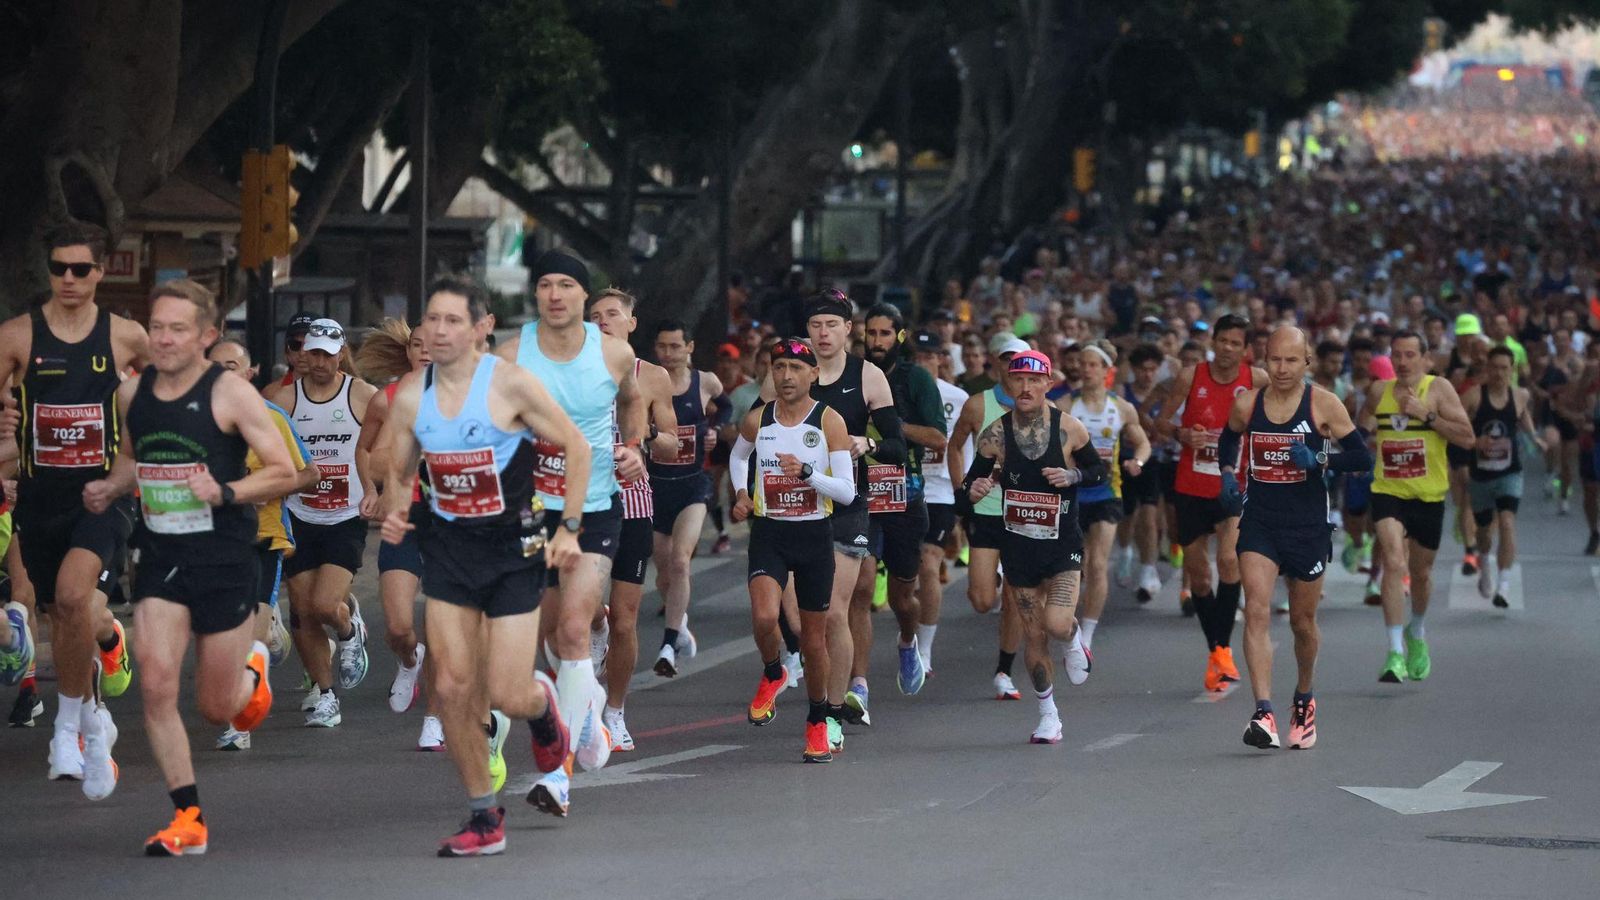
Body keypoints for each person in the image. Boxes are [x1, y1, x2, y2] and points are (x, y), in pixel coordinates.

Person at [82, 279, 292, 854]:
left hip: (224, 558)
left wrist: (223, 490)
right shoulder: (132, 395)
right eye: (157, 327)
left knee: (217, 707)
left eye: (178, 329)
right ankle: (188, 818)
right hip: (162, 557)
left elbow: (280, 470)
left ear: (207, 335)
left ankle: (253, 670)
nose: (165, 339)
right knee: (155, 684)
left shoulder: (230, 394)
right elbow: (133, 460)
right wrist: (109, 486)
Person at [378, 276, 579, 856]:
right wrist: (396, 512)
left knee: (507, 694)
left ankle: (543, 714)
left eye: (451, 321)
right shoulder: (411, 396)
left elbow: (576, 446)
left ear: (478, 329)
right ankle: (483, 817)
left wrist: (567, 527)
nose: (438, 331)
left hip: (514, 551)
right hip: (449, 554)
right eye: (431, 320)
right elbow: (398, 469)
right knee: (453, 685)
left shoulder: (511, 385)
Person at [497, 250, 647, 815]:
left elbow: (632, 408)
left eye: (566, 284)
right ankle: (584, 724)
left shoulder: (614, 352)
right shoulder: (512, 354)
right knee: (549, 635)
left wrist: (632, 450)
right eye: (544, 285)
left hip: (597, 506)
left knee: (576, 630)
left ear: (585, 296)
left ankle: (557, 775)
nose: (555, 294)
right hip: (530, 512)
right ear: (535, 295)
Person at [0, 224, 143, 785]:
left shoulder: (125, 337)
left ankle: (64, 730)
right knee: (62, 614)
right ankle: (90, 716)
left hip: (103, 494)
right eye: (59, 267)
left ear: (100, 273)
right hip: (39, 497)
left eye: (80, 269)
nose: (67, 278)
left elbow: (172, 393)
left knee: (70, 593)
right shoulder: (16, 337)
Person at [760, 290, 905, 746]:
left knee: (835, 612)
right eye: (816, 325)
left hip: (844, 507)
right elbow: (753, 433)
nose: (822, 334)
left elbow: (898, 444)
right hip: (789, 511)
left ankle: (833, 711)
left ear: (848, 330)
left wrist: (869, 444)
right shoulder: (788, 374)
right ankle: (818, 690)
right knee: (803, 624)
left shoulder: (869, 376)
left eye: (832, 325)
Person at [1217, 327, 1371, 750]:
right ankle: (1263, 711)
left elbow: (1361, 456)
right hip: (1261, 521)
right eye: (1275, 360)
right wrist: (1228, 472)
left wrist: (1320, 458)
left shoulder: (1323, 403)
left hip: (1307, 526)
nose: (1282, 369)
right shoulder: (1249, 404)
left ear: (1307, 363)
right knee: (1257, 612)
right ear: (1263, 360)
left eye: (1291, 360)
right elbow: (1228, 435)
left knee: (1303, 622)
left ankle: (1304, 698)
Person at [963, 350, 1103, 744]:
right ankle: (1048, 715)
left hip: (1061, 545)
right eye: (1017, 379)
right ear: (1009, 384)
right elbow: (970, 486)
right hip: (1018, 545)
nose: (1024, 387)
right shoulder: (995, 433)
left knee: (1057, 624)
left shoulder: (1069, 429)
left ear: (1047, 384)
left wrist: (1071, 474)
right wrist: (974, 490)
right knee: (1034, 634)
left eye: (1033, 380)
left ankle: (1075, 640)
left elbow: (1098, 471)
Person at [729, 337, 856, 762]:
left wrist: (807, 474)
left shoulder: (828, 421)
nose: (786, 376)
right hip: (770, 532)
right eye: (778, 368)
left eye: (795, 369)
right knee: (765, 616)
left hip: (814, 534)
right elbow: (737, 456)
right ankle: (773, 671)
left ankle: (818, 721)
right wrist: (741, 492)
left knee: (813, 638)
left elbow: (847, 492)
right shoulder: (759, 418)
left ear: (813, 375)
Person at [206, 340, 317, 752]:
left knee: (243, 637)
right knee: (221, 635)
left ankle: (239, 724)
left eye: (232, 366)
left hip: (261, 540)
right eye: (215, 367)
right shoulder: (195, 419)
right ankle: (267, 635)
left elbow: (308, 474)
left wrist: (264, 488)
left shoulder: (271, 417)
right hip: (210, 544)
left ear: (250, 373)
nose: (223, 374)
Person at [268, 317, 377, 727]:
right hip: (299, 514)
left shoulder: (364, 396)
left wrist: (373, 490)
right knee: (303, 612)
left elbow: (385, 447)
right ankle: (327, 695)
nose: (317, 362)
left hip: (346, 515)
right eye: (310, 352)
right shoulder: (283, 400)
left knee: (323, 604)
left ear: (341, 354)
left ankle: (348, 633)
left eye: (326, 355)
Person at [586, 289, 679, 750]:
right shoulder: (571, 374)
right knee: (582, 612)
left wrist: (643, 441)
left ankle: (615, 711)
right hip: (582, 501)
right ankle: (593, 627)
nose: (603, 321)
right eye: (595, 316)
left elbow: (674, 445)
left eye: (612, 314)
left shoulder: (653, 376)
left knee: (626, 618)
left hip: (633, 503)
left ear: (631, 322)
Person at [1153, 314, 1265, 692]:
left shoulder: (1257, 379)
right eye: (1224, 341)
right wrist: (1182, 433)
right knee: (1200, 576)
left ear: (1245, 349)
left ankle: (1224, 650)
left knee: (1230, 559)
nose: (1229, 349)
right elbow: (1161, 422)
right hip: (1190, 486)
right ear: (1213, 342)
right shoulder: (1191, 376)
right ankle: (1215, 651)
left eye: (1237, 343)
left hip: (1234, 485)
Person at [1359, 330, 1476, 683]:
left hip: (1428, 495)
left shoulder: (1438, 390)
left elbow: (1468, 438)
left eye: (1411, 354)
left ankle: (1417, 631)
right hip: (1388, 491)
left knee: (1421, 574)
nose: (1403, 361)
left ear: (1426, 359)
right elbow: (1360, 427)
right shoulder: (1379, 391)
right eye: (1397, 354)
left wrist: (1427, 417)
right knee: (1394, 563)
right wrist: (1358, 441)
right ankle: (1394, 652)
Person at [353, 318, 448, 749]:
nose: (426, 351)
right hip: (404, 518)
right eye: (417, 345)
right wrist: (378, 485)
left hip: (453, 523)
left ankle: (434, 719)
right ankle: (409, 659)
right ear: (407, 352)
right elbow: (369, 457)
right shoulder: (391, 398)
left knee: (443, 622)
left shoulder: (472, 396)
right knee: (397, 625)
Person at [850, 305, 945, 707]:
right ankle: (858, 683)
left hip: (905, 495)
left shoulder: (915, 379)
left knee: (902, 598)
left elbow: (939, 438)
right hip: (859, 493)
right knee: (862, 587)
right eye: (871, 334)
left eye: (885, 334)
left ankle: (908, 642)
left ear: (900, 337)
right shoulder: (850, 376)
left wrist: (891, 424)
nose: (876, 342)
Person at [949, 334, 1030, 700]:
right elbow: (954, 446)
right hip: (985, 511)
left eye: (1019, 361)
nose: (1013, 368)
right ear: (995, 364)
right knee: (983, 601)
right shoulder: (977, 405)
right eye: (1006, 360)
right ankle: (991, 579)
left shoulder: (1042, 407)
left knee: (1015, 596)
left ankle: (1003, 670)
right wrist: (961, 490)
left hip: (1024, 514)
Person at [647, 319, 722, 677]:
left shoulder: (703, 381)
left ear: (689, 347)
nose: (668, 353)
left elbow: (725, 407)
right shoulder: (645, 382)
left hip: (693, 484)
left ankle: (667, 643)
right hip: (655, 485)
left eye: (676, 346)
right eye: (662, 346)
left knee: (680, 561)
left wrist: (715, 432)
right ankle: (679, 624)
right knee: (663, 573)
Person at [1066, 341, 1150, 657]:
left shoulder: (1121, 408)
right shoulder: (1065, 406)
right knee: (1074, 567)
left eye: (1091, 365)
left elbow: (1143, 444)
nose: (1084, 369)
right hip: (1072, 494)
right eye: (1081, 364)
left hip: (1106, 493)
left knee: (1097, 562)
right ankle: (1068, 626)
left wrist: (1136, 463)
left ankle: (1086, 635)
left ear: (1105, 371)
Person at [1461, 347, 1543, 608]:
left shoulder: (1520, 395)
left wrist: (1534, 437)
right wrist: (1474, 442)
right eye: (1494, 367)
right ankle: (1485, 565)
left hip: (1510, 471)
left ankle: (1504, 585)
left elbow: (1523, 416)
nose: (1499, 373)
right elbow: (1456, 425)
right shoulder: (1474, 396)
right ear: (1487, 369)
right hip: (1481, 474)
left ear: (1512, 370)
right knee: (1484, 530)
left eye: (1504, 368)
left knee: (1507, 522)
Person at [911, 331, 968, 676]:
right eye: (915, 358)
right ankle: (908, 637)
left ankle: (925, 650)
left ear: (940, 360)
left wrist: (963, 490)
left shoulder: (957, 398)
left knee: (929, 563)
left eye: (927, 357)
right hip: (902, 491)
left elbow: (964, 447)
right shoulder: (895, 394)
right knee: (904, 575)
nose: (922, 364)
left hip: (940, 493)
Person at [1117, 344, 1167, 603]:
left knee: (1149, 516)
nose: (1148, 374)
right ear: (1134, 370)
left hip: (1153, 462)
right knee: (1127, 516)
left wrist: (1161, 434)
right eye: (1143, 369)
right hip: (1124, 461)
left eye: (1152, 369)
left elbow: (1170, 428)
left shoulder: (1163, 396)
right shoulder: (1123, 394)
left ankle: (1148, 570)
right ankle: (1125, 552)